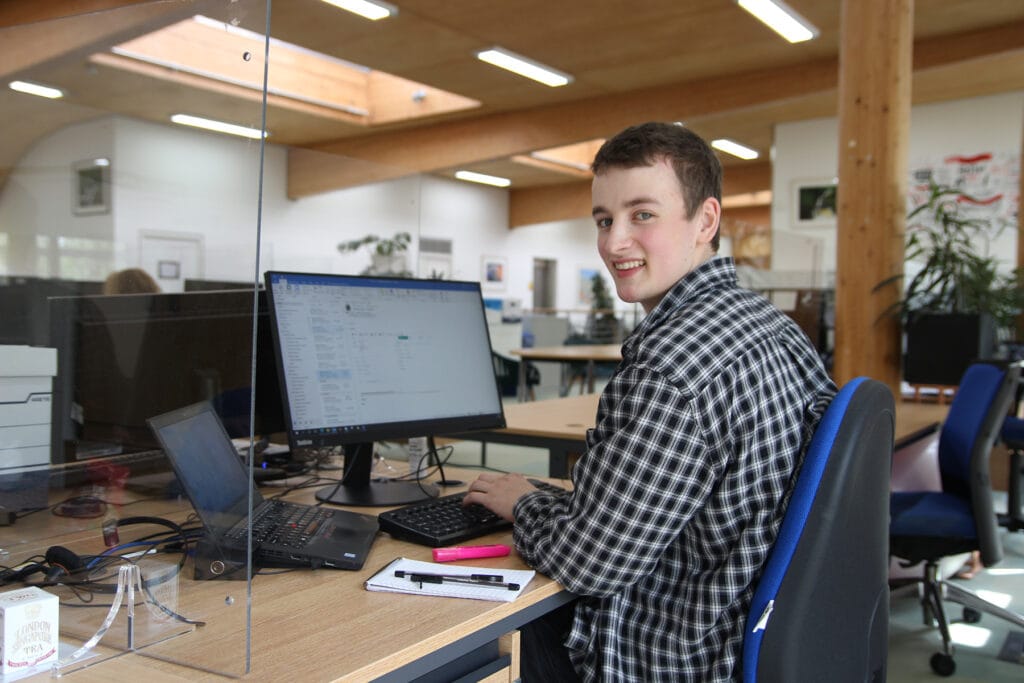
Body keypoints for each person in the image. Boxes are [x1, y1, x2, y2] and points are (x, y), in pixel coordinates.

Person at [463, 122, 837, 681]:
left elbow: (587, 562)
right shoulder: (772, 327)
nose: (614, 242)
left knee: (463, 641)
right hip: (758, 632)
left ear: (705, 220)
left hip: (674, 656)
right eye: (603, 220)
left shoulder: (672, 366)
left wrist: (522, 502)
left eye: (643, 215)